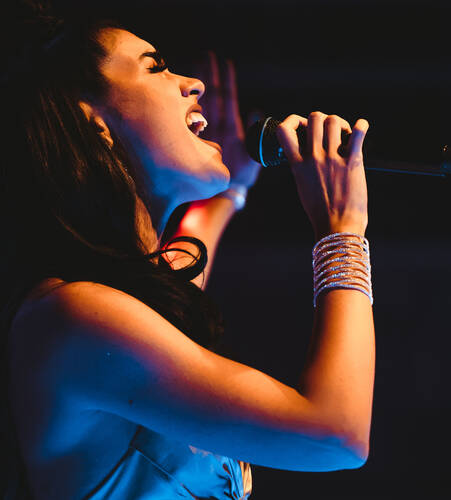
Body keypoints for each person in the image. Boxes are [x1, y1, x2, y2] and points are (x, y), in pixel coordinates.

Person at [0, 2, 375, 499]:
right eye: (155, 67)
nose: (193, 84)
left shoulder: (122, 300)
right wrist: (342, 231)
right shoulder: (73, 316)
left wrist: (230, 192)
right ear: (93, 123)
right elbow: (336, 435)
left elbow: (181, 265)